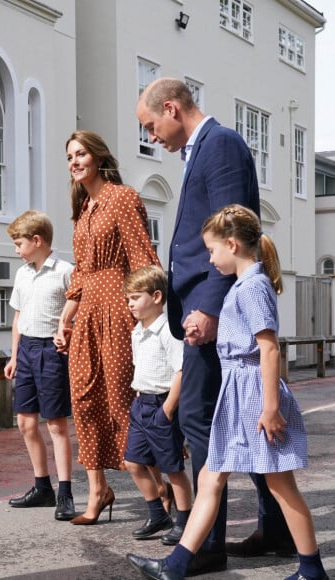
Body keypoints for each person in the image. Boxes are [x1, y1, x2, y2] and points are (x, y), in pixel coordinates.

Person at [135, 77, 293, 574]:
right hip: (204, 306)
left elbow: (235, 230)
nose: (151, 136)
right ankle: (277, 530)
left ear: (172, 108)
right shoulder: (198, 150)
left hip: (212, 310)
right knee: (241, 420)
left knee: (202, 422)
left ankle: (207, 547)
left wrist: (208, 304)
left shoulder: (220, 143)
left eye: (151, 125)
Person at [127, 204, 328, 580]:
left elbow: (268, 348)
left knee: (281, 484)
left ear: (232, 245)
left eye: (212, 249)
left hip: (252, 393)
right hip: (237, 390)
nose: (209, 258)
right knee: (211, 477)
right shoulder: (245, 285)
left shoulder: (252, 286)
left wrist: (270, 408)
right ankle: (177, 565)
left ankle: (311, 569)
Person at [54, 130, 160, 525]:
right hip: (87, 313)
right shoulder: (83, 209)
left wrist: (147, 315)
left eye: (80, 154)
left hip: (118, 306)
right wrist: (66, 317)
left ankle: (161, 488)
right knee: (83, 399)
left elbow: (142, 257)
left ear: (98, 157)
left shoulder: (122, 197)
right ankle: (98, 490)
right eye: (69, 157)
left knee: (122, 399)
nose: (74, 162)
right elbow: (80, 272)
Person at [4, 211, 76, 521]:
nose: (16, 249)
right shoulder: (22, 274)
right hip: (27, 351)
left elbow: (77, 313)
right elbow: (18, 318)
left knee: (56, 425)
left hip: (51, 351)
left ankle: (66, 493)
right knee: (25, 423)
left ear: (37, 240)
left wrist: (66, 335)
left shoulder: (65, 271)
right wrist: (13, 355)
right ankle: (42, 487)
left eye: (19, 243)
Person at [122, 266, 192, 545]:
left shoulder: (168, 330)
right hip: (142, 403)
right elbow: (141, 367)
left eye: (135, 297)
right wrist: (139, 400)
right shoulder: (138, 331)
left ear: (156, 296)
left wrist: (168, 409)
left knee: (172, 467)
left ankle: (185, 521)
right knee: (133, 462)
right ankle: (157, 514)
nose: (130, 304)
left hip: (163, 404)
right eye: (128, 298)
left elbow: (181, 371)